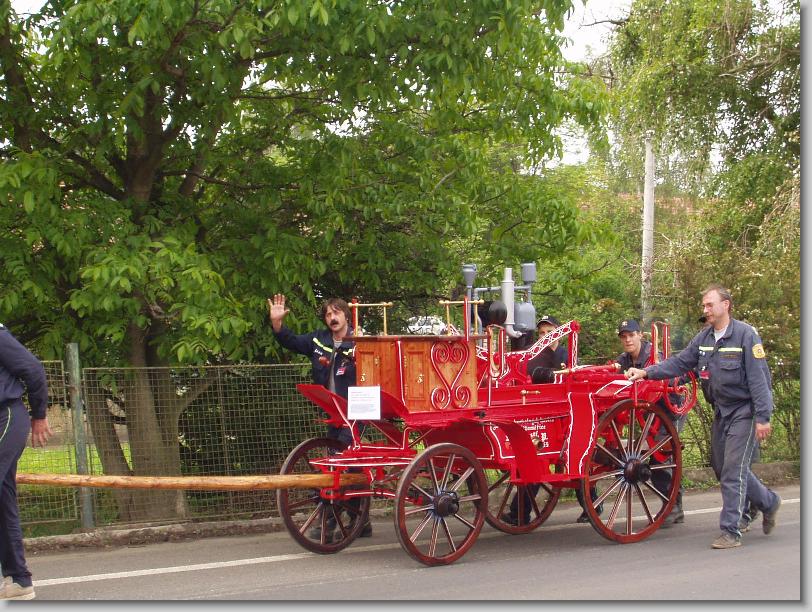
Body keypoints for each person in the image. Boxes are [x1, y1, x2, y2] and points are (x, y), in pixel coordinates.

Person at [626, 285, 781, 549]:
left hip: (745, 411)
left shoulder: (745, 336)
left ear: (726, 305)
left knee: (733, 471)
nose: (705, 310)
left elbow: (759, 380)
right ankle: (768, 502)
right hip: (722, 411)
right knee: (722, 469)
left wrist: (763, 417)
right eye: (704, 306)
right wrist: (647, 373)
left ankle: (731, 531)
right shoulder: (704, 339)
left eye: (709, 305)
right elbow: (680, 363)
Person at [268, 294, 371, 539]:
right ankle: (361, 519)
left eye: (336, 313)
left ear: (347, 316)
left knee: (338, 461)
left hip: (357, 411)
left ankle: (329, 523)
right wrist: (277, 324)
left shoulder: (361, 341)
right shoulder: (318, 340)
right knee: (343, 463)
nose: (332, 317)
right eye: (328, 314)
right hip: (333, 412)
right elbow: (290, 341)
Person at [502, 316, 601, 525]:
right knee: (535, 457)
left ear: (558, 333)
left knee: (574, 459)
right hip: (541, 408)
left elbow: (576, 379)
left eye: (548, 332)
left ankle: (592, 505)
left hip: (567, 413)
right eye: (541, 333)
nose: (544, 337)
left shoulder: (566, 355)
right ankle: (519, 513)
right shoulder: (534, 355)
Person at [0, 323, 53, 600]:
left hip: (5, 417)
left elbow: (32, 369)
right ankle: (18, 581)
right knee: (3, 499)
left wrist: (39, 414)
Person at [615, 319, 685, 526]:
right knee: (658, 457)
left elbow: (667, 379)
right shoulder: (624, 359)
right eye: (624, 337)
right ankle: (673, 504)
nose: (628, 340)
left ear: (640, 335)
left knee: (661, 457)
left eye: (631, 335)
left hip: (669, 410)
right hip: (648, 414)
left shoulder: (656, 357)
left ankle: (674, 507)